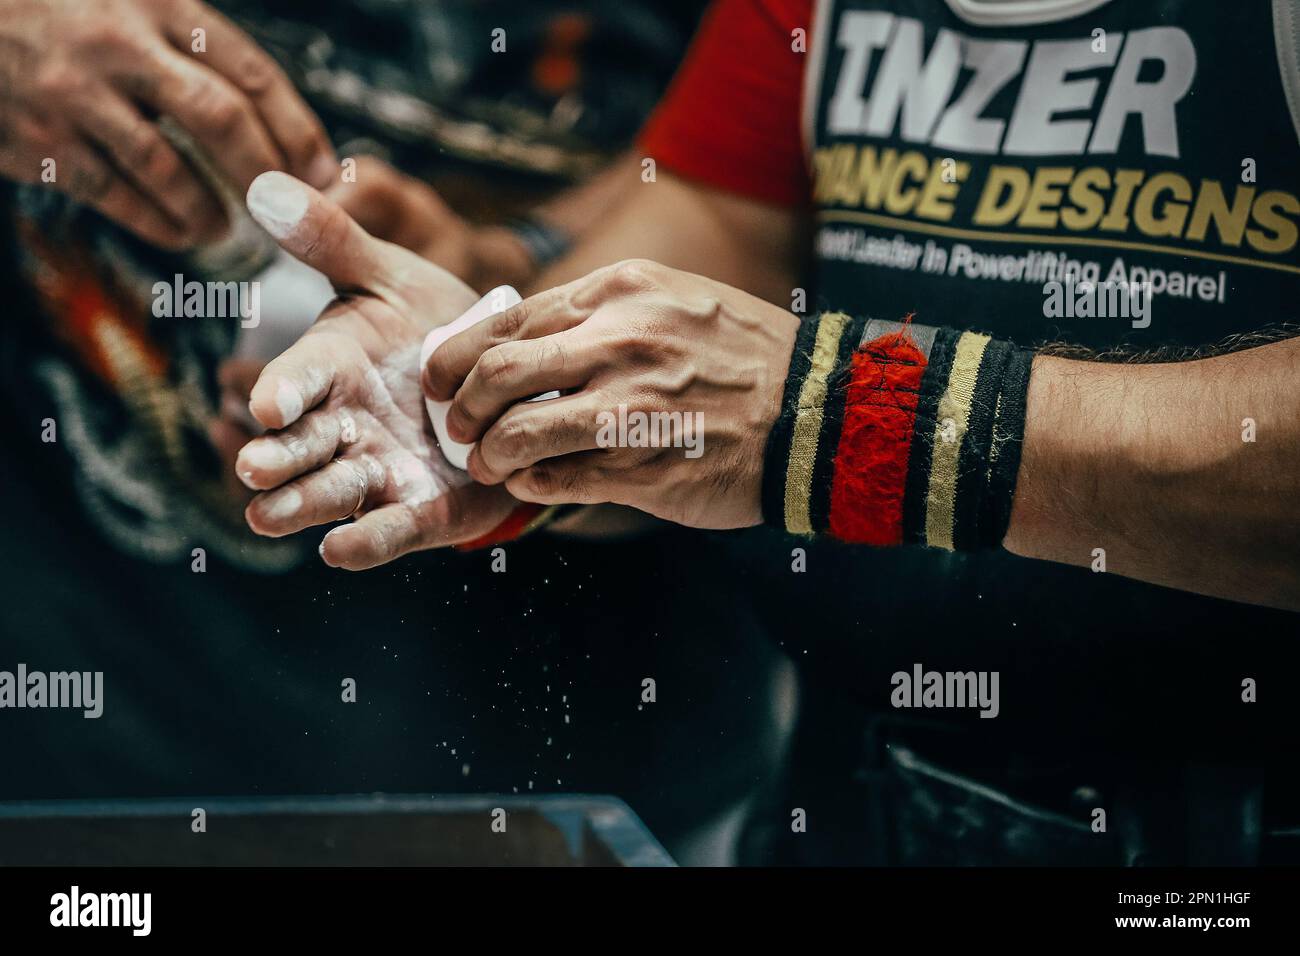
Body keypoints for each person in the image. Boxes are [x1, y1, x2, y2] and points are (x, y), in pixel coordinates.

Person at [238, 0, 1300, 864]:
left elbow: (783, 404)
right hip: (849, 804)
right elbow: (714, 230)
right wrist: (482, 386)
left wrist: (841, 415)